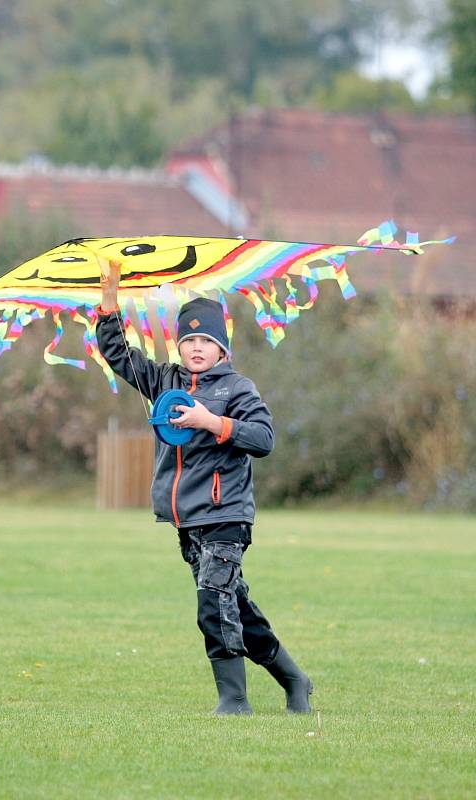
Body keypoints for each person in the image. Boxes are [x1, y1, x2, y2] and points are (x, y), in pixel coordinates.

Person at [96, 261, 313, 715]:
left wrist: (210, 421)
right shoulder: (163, 382)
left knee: (213, 602)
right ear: (180, 345)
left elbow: (264, 438)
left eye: (207, 341)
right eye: (190, 340)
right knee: (234, 604)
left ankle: (233, 700)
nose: (197, 348)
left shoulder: (237, 388)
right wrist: (110, 301)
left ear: (222, 349)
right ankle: (295, 680)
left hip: (226, 517)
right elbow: (119, 355)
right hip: (187, 519)